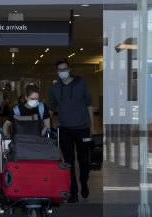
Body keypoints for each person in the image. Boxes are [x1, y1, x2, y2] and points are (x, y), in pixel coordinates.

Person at [48, 58, 96, 203]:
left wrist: (92, 126)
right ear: (57, 72)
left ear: (69, 69)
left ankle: (84, 182)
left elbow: (89, 104)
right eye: (60, 70)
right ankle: (73, 192)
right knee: (68, 162)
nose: (63, 72)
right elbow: (50, 109)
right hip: (64, 129)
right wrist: (45, 126)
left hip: (82, 128)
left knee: (84, 160)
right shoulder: (54, 88)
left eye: (65, 69)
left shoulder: (81, 83)